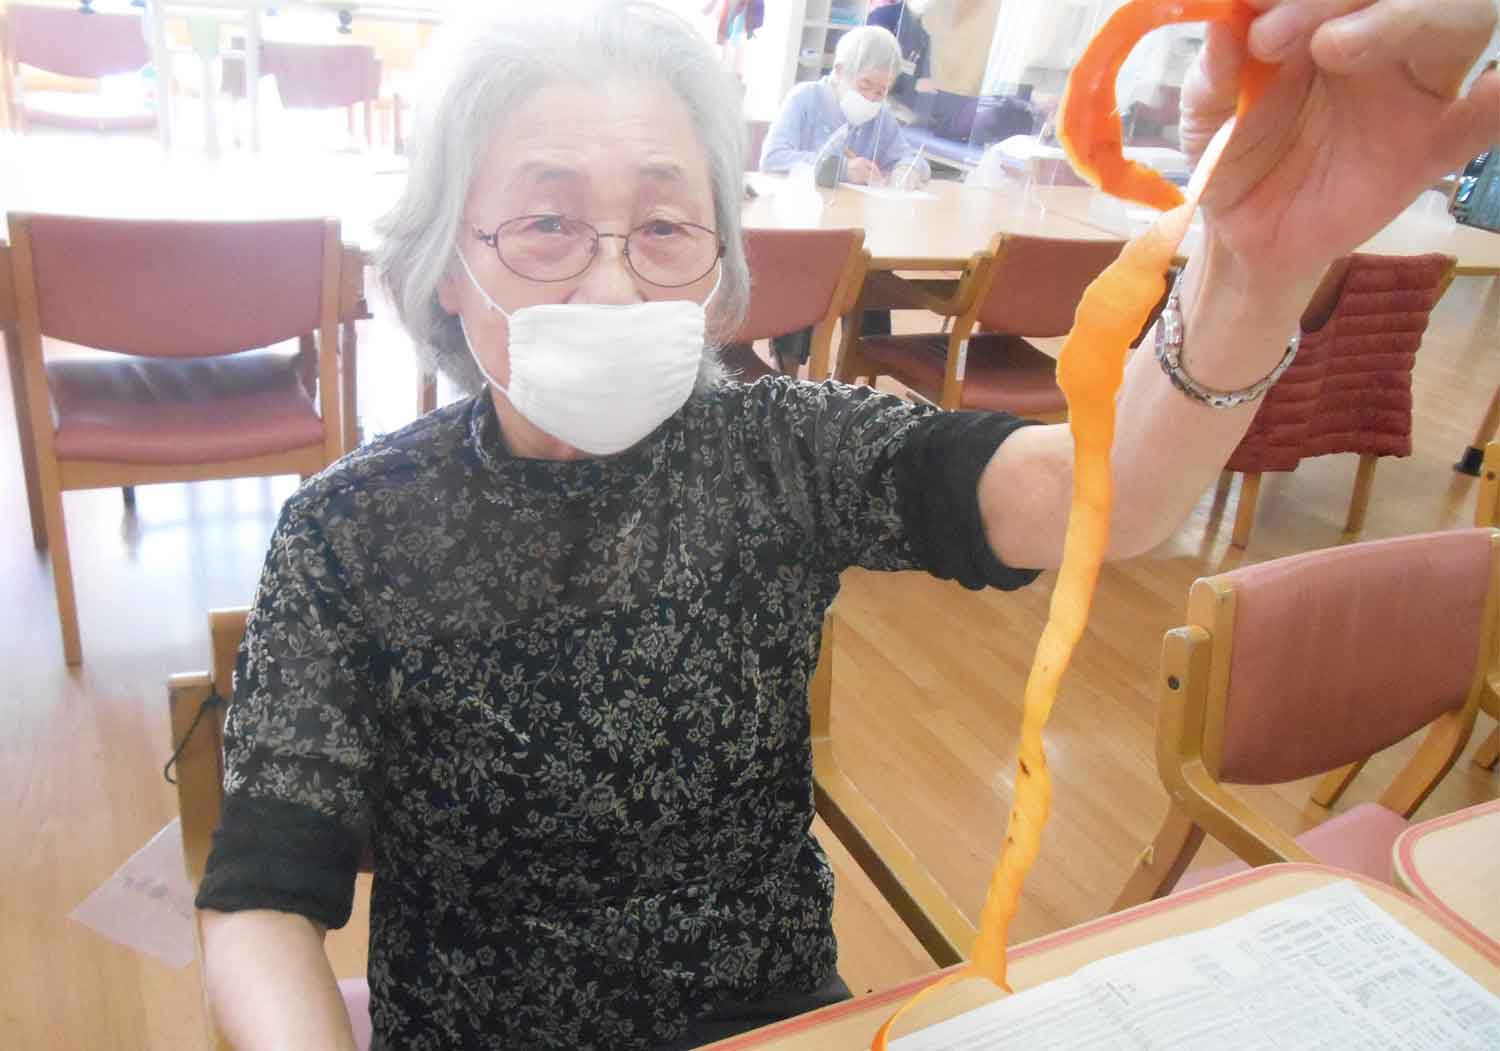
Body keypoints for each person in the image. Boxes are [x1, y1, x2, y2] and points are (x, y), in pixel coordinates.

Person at [194, 1, 1499, 1049]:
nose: (613, 280)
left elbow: (1105, 495)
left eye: (665, 225)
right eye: (546, 224)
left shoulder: (782, 449)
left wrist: (1256, 268)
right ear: (445, 260)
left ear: (720, 264)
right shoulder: (348, 530)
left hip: (779, 1015)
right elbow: (261, 896)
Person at [759, 24, 931, 188]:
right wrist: (841, 169)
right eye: (864, 86)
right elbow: (773, 158)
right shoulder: (805, 98)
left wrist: (908, 169)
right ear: (840, 71)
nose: (871, 98)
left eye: (881, 92)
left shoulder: (880, 115)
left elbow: (911, 158)